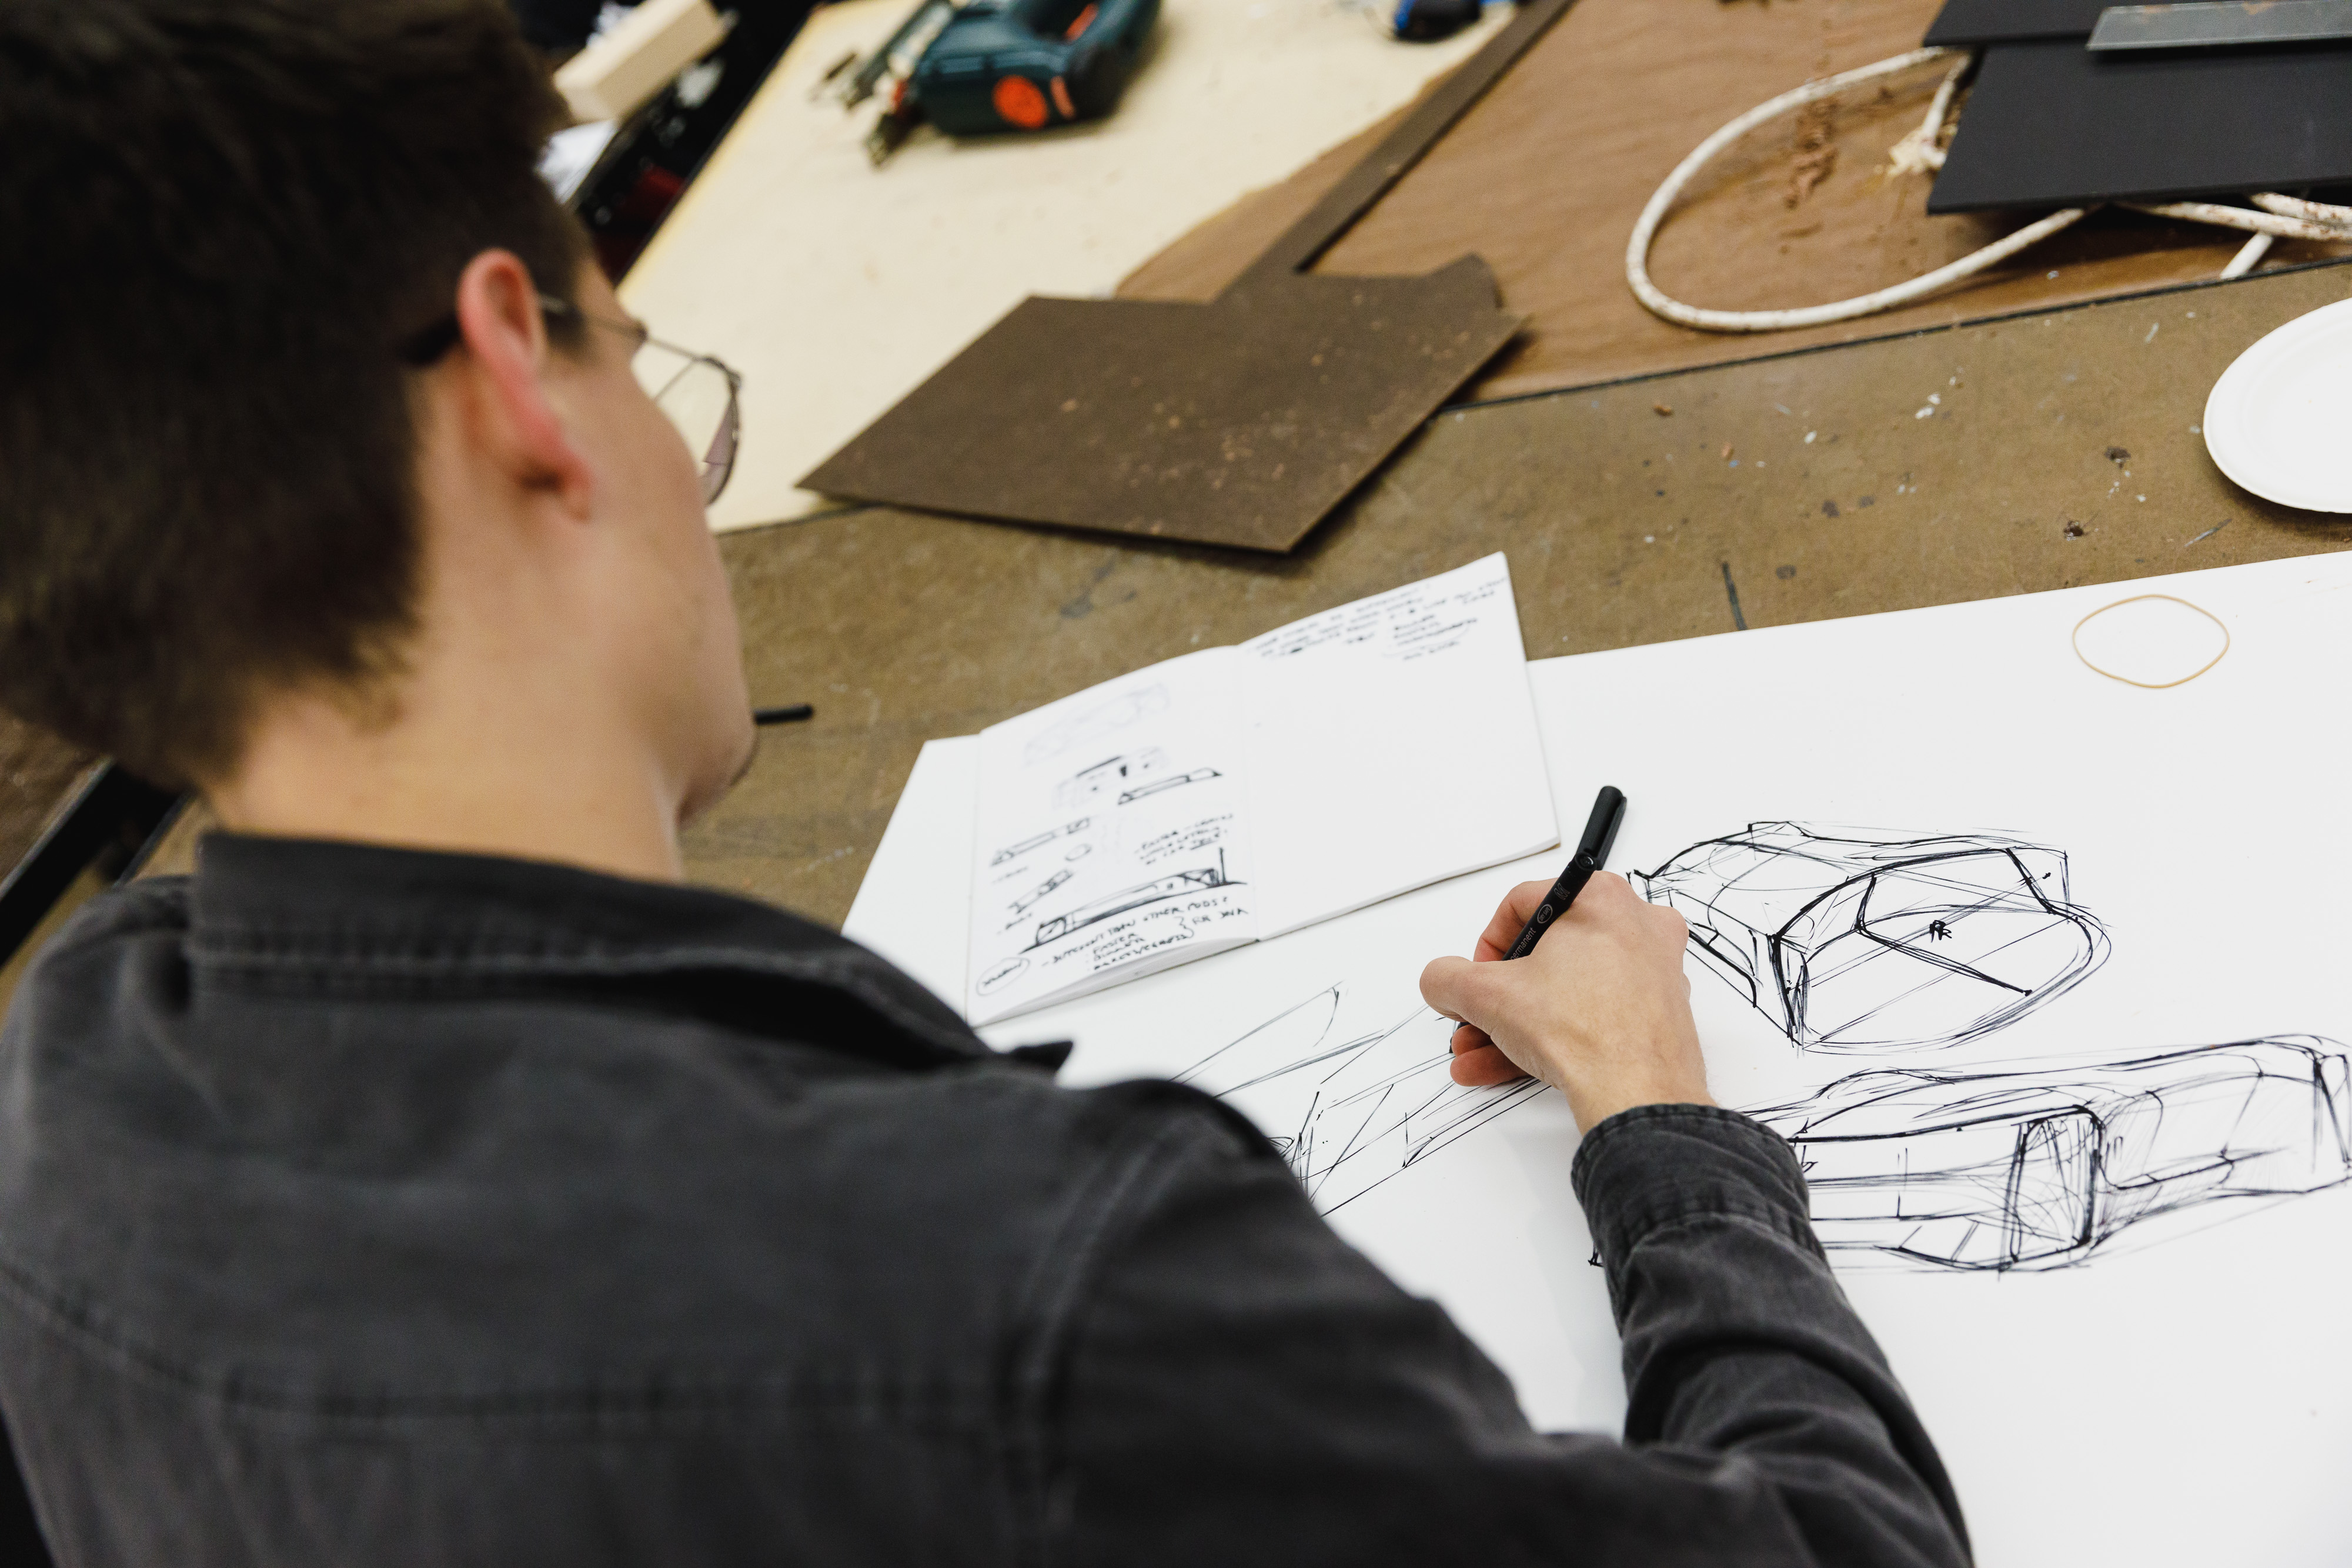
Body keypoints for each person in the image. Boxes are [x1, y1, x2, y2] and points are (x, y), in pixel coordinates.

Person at [0, 2, 1972, 1563]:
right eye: (643, 351)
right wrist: (1659, 1124)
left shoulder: (65, 1100)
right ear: (526, 378)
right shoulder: (1028, 1298)